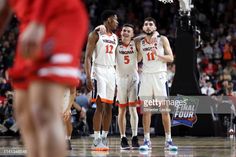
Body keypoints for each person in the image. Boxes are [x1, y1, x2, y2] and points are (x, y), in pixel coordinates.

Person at [0, 0, 88, 157]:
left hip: (56, 14)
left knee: (43, 111)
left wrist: (38, 22)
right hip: (30, 22)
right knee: (25, 112)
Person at [136, 17, 178, 151]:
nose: (148, 26)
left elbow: (171, 58)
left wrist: (157, 55)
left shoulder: (162, 39)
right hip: (146, 77)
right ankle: (147, 141)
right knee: (146, 111)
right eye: (146, 24)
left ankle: (169, 140)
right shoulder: (140, 42)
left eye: (150, 24)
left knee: (164, 110)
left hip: (160, 76)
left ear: (155, 27)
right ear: (143, 28)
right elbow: (137, 59)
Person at [85, 10, 118, 151]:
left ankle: (104, 137)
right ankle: (96, 138)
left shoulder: (116, 37)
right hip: (98, 70)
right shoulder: (95, 34)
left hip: (111, 71)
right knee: (100, 106)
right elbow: (87, 57)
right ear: (108, 19)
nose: (117, 22)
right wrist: (88, 76)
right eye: (115, 20)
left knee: (109, 107)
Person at [115, 24, 140, 150]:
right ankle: (123, 138)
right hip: (120, 79)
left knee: (133, 109)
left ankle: (135, 137)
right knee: (122, 110)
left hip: (133, 78)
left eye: (128, 31)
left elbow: (140, 57)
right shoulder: (115, 44)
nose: (125, 32)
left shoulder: (136, 44)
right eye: (124, 30)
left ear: (132, 34)